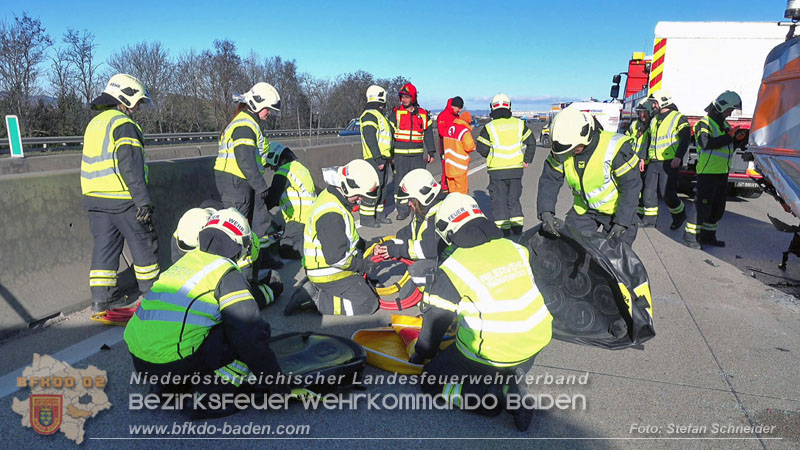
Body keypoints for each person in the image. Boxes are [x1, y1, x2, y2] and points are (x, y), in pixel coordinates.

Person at [410, 193, 553, 432]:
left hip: (491, 351)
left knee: (430, 380)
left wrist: (422, 354)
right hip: (534, 343)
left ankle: (491, 398)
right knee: (493, 361)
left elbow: (436, 321)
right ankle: (508, 380)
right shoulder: (515, 248)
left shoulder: (454, 265)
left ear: (447, 230)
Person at [124, 209, 285, 417]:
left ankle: (168, 389)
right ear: (240, 244)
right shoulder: (226, 272)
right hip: (173, 363)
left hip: (142, 362)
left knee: (205, 328)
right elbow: (249, 336)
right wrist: (276, 384)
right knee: (253, 332)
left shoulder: (185, 262)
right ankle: (210, 396)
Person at [81, 73, 159, 312]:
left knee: (105, 247)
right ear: (123, 99)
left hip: (94, 198)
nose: (136, 109)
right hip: (122, 197)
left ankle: (102, 300)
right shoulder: (123, 125)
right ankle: (152, 295)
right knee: (144, 243)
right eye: (136, 103)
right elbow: (131, 167)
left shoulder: (95, 123)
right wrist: (143, 201)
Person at [284, 159, 382, 316]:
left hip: (328, 266)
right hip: (328, 271)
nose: (360, 199)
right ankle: (315, 299)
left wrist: (369, 245)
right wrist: (363, 266)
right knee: (368, 303)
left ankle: (316, 288)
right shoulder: (331, 215)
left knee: (366, 284)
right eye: (359, 196)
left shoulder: (333, 197)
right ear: (347, 188)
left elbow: (346, 237)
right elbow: (337, 258)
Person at [537, 108, 641, 245]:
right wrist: (546, 212)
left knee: (613, 259)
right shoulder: (562, 150)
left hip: (616, 211)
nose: (570, 153)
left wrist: (622, 222)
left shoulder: (614, 148)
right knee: (571, 247)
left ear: (585, 136)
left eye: (574, 149)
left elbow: (631, 186)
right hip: (584, 209)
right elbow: (550, 179)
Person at [171, 206, 283, 309]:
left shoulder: (235, 245)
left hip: (244, 257)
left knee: (242, 300)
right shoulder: (184, 232)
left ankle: (271, 287)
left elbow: (242, 300)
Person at [214, 82, 280, 252]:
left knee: (258, 219)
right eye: (268, 108)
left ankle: (260, 260)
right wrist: (260, 185)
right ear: (257, 104)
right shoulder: (244, 124)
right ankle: (240, 269)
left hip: (245, 179)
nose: (269, 112)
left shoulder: (250, 121)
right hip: (235, 181)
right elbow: (245, 158)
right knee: (236, 226)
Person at [683, 91, 747, 249]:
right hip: (708, 172)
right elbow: (705, 143)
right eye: (729, 110)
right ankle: (690, 237)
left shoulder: (724, 125)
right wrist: (729, 136)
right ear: (721, 107)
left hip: (722, 172)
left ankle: (708, 236)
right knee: (701, 207)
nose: (730, 113)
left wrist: (737, 140)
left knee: (717, 208)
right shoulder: (703, 124)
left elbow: (727, 144)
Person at [373, 169, 447, 290]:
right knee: (406, 291)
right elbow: (409, 234)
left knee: (416, 271)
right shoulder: (425, 210)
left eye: (411, 200)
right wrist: (389, 246)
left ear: (423, 195)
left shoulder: (439, 214)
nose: (409, 204)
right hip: (436, 258)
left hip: (446, 262)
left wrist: (395, 250)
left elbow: (428, 248)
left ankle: (436, 293)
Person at [476, 94, 537, 239]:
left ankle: (503, 230)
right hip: (516, 169)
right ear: (509, 106)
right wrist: (526, 159)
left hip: (497, 171)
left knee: (499, 201)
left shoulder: (489, 127)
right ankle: (517, 228)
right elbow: (531, 143)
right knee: (514, 199)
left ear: (492, 107)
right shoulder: (519, 124)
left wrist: (492, 154)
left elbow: (481, 148)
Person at [641, 89, 690, 230]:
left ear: (662, 102)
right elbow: (648, 139)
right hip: (654, 162)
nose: (653, 106)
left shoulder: (678, 117)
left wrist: (678, 157)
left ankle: (679, 215)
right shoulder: (654, 119)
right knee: (648, 192)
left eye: (655, 103)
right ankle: (649, 220)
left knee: (667, 194)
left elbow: (685, 138)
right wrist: (643, 158)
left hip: (669, 163)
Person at [389, 83, 437, 221]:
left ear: (413, 98)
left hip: (417, 155)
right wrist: (389, 154)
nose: (403, 100)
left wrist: (431, 152)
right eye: (402, 97)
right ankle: (402, 210)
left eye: (406, 97)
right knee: (400, 183)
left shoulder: (422, 114)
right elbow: (388, 135)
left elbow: (428, 134)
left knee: (418, 181)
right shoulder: (396, 113)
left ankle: (419, 208)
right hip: (400, 155)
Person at [262, 143, 317, 258]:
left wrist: (258, 208)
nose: (271, 169)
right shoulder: (299, 167)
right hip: (311, 218)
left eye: (270, 165)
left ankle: (315, 250)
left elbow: (272, 198)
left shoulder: (283, 172)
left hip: (298, 221)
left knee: (285, 250)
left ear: (276, 158)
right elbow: (289, 195)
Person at [358, 85, 394, 228]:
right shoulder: (369, 115)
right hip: (374, 159)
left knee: (383, 188)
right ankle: (367, 218)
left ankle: (379, 215)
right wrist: (378, 158)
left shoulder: (379, 115)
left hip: (383, 158)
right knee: (373, 188)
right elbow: (370, 138)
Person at [627, 99, 656, 223]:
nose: (642, 115)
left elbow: (646, 144)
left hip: (646, 163)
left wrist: (642, 159)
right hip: (633, 160)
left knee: (645, 189)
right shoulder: (634, 125)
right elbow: (627, 139)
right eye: (640, 112)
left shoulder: (651, 126)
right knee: (634, 188)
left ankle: (647, 216)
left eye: (644, 112)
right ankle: (637, 212)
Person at [443, 110, 476, 194]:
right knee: (461, 194)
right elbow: (469, 147)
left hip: (448, 167)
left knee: (452, 193)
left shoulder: (449, 129)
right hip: (459, 168)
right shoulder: (464, 131)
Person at [437, 96, 465, 191]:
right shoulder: (443, 115)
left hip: (456, 148)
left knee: (454, 168)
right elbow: (442, 132)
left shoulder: (457, 117)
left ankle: (453, 186)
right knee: (446, 168)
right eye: (459, 108)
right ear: (454, 106)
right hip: (445, 147)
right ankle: (445, 187)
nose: (460, 110)